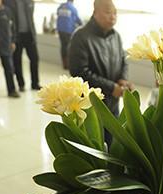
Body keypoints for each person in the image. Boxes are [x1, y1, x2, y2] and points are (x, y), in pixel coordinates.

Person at [69, 0, 132, 145]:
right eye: (108, 12)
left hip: (113, 105)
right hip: (91, 106)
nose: (113, 17)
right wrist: (111, 87)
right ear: (95, 12)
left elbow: (124, 60)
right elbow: (79, 72)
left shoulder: (116, 36)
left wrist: (123, 79)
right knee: (95, 146)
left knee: (113, 144)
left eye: (115, 13)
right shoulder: (81, 36)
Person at [4, 0, 40, 91]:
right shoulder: (8, 2)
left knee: (35, 58)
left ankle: (35, 83)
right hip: (16, 35)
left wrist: (34, 35)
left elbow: (31, 18)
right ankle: (21, 84)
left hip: (29, 34)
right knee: (17, 60)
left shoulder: (29, 2)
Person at [56, 0, 82, 70]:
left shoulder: (61, 6)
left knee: (63, 46)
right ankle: (68, 65)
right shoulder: (72, 8)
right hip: (68, 30)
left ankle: (64, 64)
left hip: (60, 30)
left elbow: (58, 14)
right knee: (68, 47)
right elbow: (77, 20)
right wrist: (83, 26)